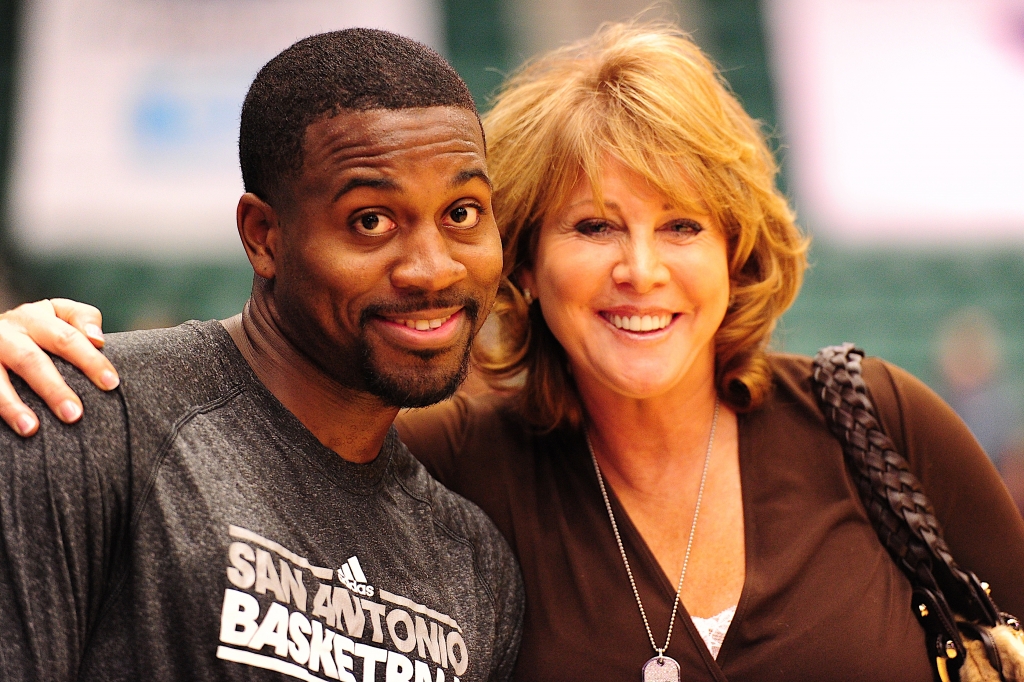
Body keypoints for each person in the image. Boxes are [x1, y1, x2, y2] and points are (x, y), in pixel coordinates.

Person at [4, 22, 1024, 682]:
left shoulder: (872, 423)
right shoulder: (453, 466)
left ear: (735, 249)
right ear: (525, 262)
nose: (640, 269)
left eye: (682, 226)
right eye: (592, 228)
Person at [0, 29, 525, 681]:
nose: (433, 269)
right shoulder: (82, 417)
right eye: (371, 221)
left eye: (463, 213)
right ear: (264, 237)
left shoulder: (476, 566)